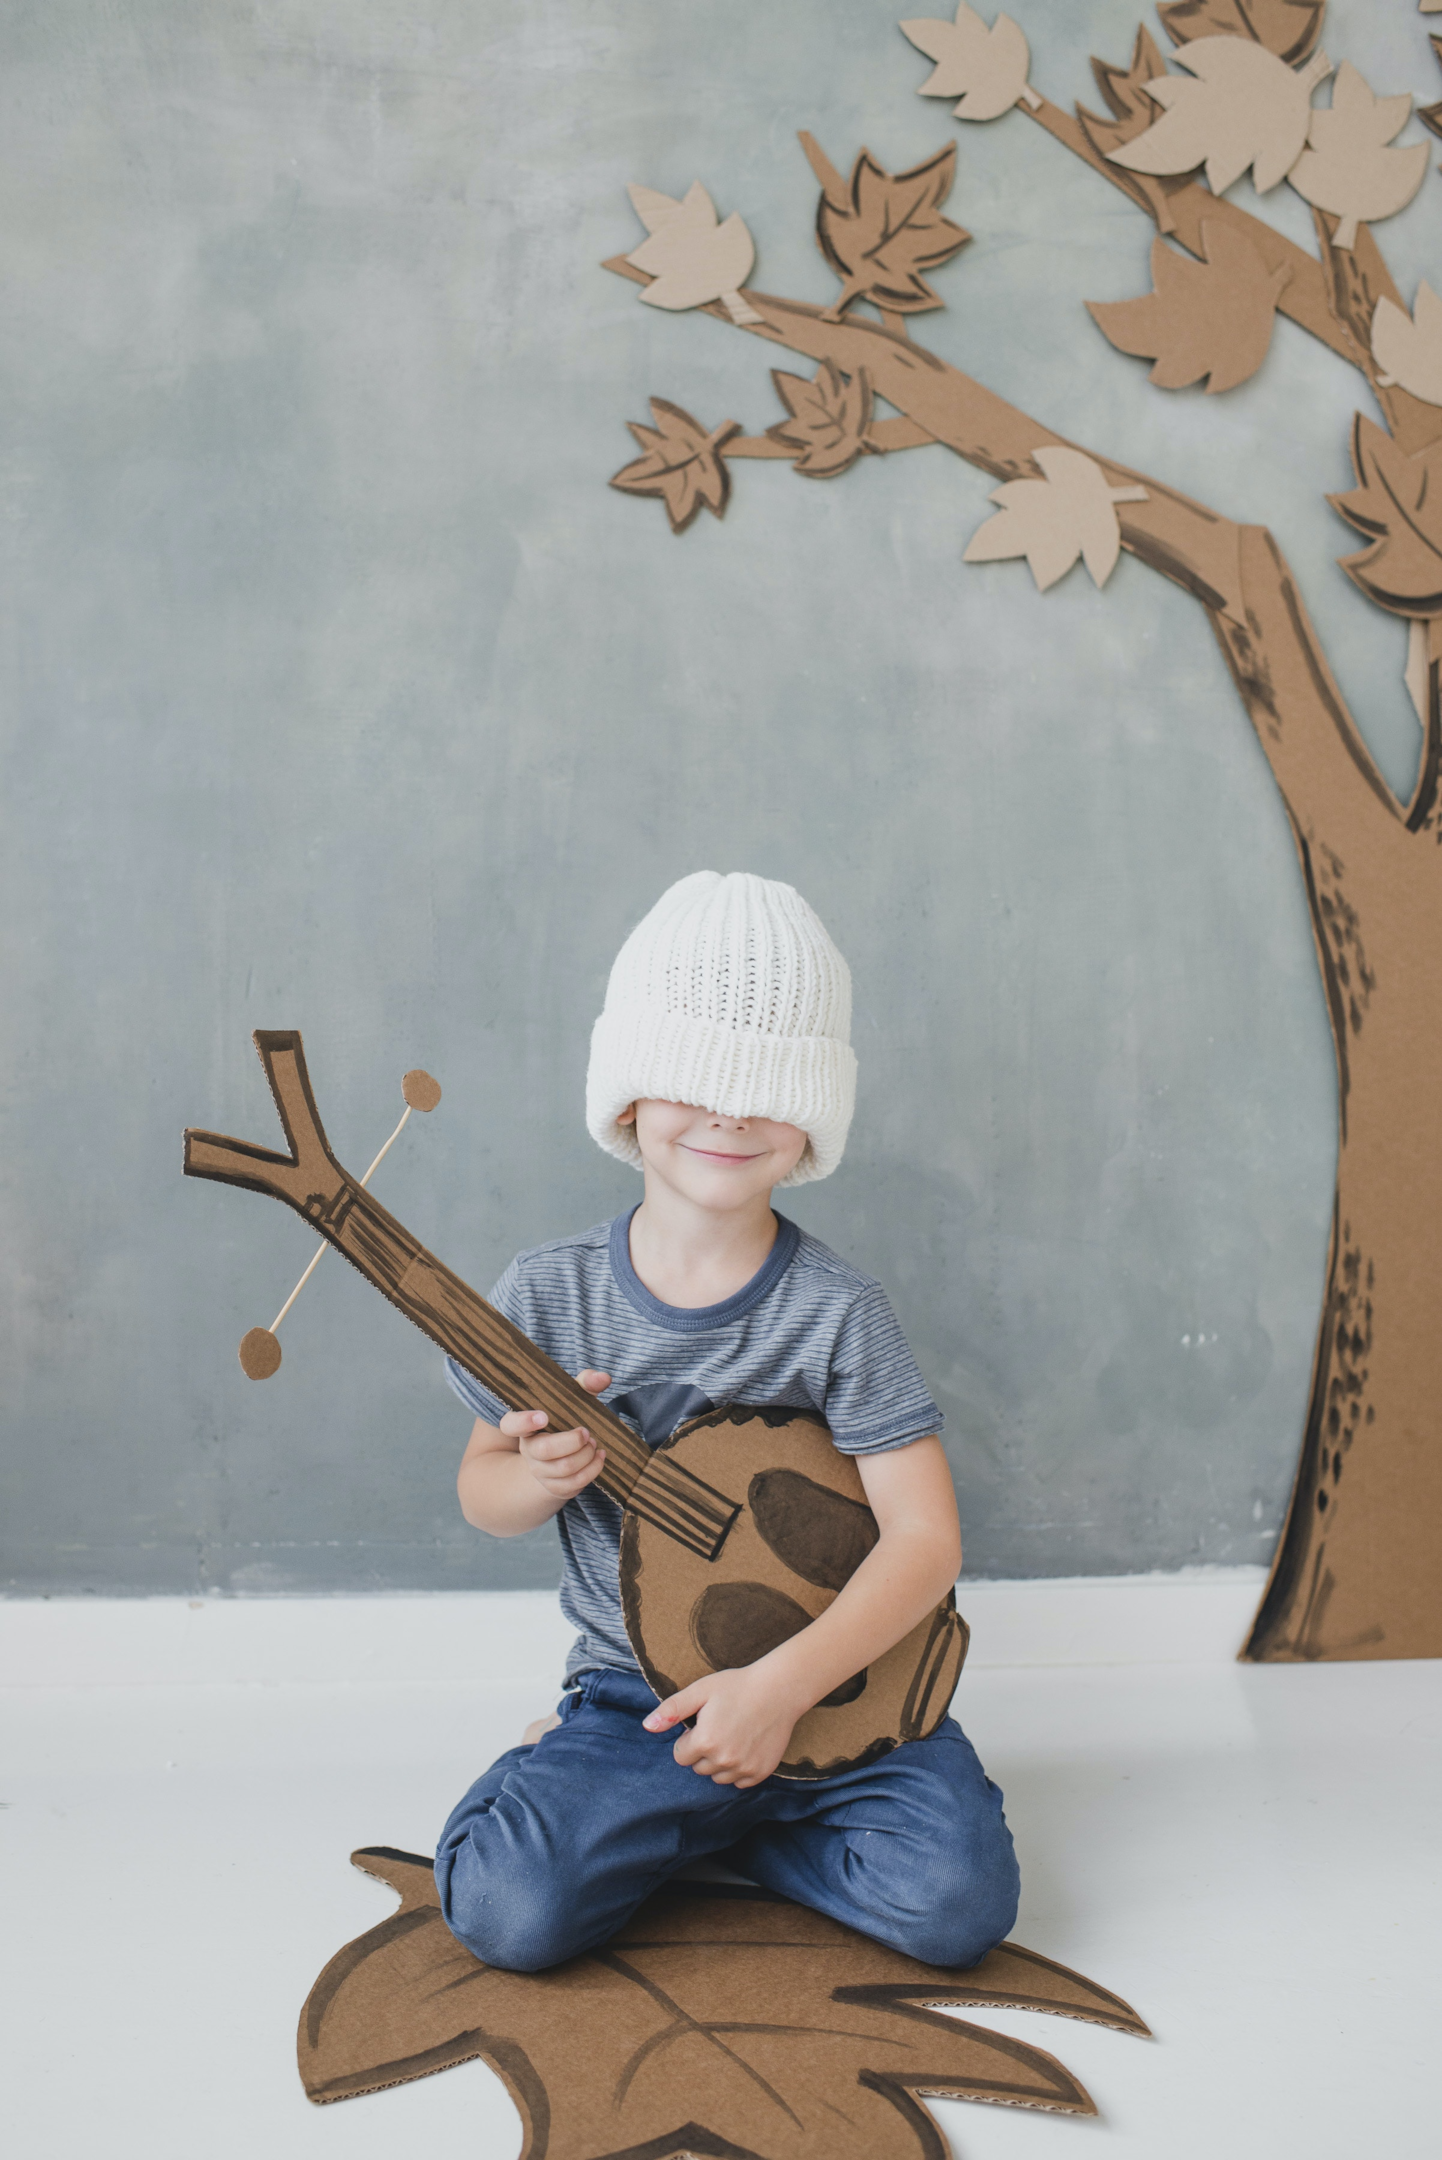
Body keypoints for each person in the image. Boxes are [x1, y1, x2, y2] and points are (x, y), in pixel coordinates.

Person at [434, 871, 1019, 1971]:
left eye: (766, 1086)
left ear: (812, 1122)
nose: (729, 1112)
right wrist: (538, 1478)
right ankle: (604, 1785)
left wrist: (778, 1693)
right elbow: (482, 1490)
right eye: (691, 1077)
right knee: (507, 1910)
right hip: (635, 1697)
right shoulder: (546, 1296)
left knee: (958, 1904)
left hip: (839, 1690)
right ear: (625, 1100)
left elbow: (924, 1541)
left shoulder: (839, 1313)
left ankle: (728, 1830)